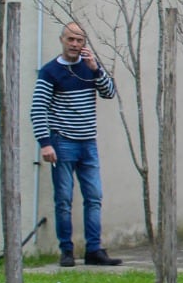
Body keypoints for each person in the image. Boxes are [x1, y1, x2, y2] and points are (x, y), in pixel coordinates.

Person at [31, 22, 122, 267]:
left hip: (88, 142)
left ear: (84, 43)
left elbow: (109, 93)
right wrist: (45, 143)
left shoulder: (89, 68)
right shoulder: (50, 71)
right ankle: (67, 251)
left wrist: (96, 69)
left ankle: (94, 250)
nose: (74, 44)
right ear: (62, 40)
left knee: (94, 197)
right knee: (63, 199)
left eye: (79, 40)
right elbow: (38, 109)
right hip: (62, 141)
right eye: (70, 39)